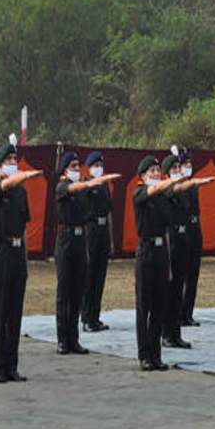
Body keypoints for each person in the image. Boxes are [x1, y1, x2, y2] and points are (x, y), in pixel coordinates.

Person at [133, 154, 213, 370]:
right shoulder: (140, 192)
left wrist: (168, 264)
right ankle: (144, 354)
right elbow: (158, 190)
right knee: (144, 306)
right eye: (152, 172)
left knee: (159, 304)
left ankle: (156, 355)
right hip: (146, 251)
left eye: (158, 171)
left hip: (161, 251)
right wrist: (185, 181)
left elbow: (172, 196)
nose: (156, 174)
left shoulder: (162, 196)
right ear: (142, 175)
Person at [0, 140, 43, 383]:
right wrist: (17, 176)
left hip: (18, 250)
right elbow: (3, 185)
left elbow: (23, 228)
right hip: (0, 249)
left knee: (15, 311)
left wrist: (26, 261)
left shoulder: (21, 191)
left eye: (14, 160)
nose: (13, 164)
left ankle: (12, 364)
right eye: (8, 160)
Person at [55, 151, 122, 355]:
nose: (77, 169)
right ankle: (62, 339)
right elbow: (74, 188)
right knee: (65, 292)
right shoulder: (63, 187)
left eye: (78, 166)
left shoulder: (90, 188)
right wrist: (90, 183)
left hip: (81, 236)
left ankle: (73, 338)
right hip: (66, 239)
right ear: (65, 170)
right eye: (73, 166)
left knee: (77, 289)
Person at [161, 152, 194, 350]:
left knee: (179, 286)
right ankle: (167, 333)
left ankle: (176, 333)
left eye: (178, 168)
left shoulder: (181, 191)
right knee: (170, 290)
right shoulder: (166, 191)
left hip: (182, 238)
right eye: (173, 169)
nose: (178, 171)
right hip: (171, 239)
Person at [82, 150, 115, 333]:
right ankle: (86, 318)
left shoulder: (104, 186)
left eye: (101, 165)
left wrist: (111, 239)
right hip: (91, 229)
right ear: (89, 167)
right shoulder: (86, 185)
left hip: (103, 231)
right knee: (89, 276)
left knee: (100, 276)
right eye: (96, 165)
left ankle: (95, 316)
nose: (99, 169)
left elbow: (109, 212)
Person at [177, 148, 204, 327]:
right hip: (184, 229)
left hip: (195, 228)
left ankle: (188, 313)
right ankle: (178, 314)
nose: (189, 167)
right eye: (185, 164)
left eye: (190, 164)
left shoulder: (193, 185)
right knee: (182, 274)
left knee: (193, 275)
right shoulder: (178, 186)